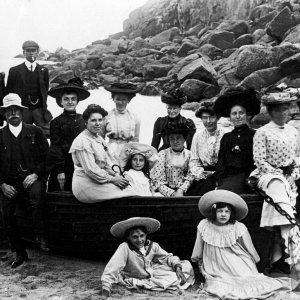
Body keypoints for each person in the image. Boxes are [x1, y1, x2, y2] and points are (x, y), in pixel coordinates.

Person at [191, 189, 298, 299]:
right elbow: (198, 247)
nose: (223, 214)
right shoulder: (204, 224)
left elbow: (250, 248)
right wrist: (197, 258)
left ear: (231, 213)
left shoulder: (237, 226)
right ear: (214, 212)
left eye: (227, 211)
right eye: (220, 211)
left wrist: (255, 261)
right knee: (220, 283)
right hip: (215, 266)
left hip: (237, 261)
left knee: (247, 281)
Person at [250, 85, 300, 274]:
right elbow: (260, 160)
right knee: (278, 188)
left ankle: (282, 256)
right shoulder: (262, 132)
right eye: (277, 109)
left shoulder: (294, 132)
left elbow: (296, 158)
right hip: (267, 175)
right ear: (270, 112)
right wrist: (281, 176)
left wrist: (293, 174)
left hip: (289, 175)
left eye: (285, 108)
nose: (282, 113)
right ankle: (294, 251)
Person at [0, 93, 49, 268]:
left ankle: (40, 237)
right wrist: (2, 185)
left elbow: (46, 159)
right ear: (4, 114)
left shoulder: (35, 131)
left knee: (36, 199)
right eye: (9, 111)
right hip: (9, 182)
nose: (13, 113)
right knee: (8, 214)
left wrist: (36, 174)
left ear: (22, 112)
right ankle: (19, 252)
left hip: (31, 178)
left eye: (16, 110)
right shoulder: (0, 135)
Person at [100, 217, 195, 299]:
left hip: (152, 272)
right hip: (135, 276)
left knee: (184, 266)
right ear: (128, 237)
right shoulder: (124, 247)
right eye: (135, 237)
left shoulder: (153, 245)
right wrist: (106, 287)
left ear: (146, 235)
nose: (139, 240)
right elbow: (113, 267)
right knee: (171, 281)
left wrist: (178, 268)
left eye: (142, 236)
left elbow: (167, 257)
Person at [69, 104, 137, 203]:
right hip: (86, 185)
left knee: (129, 186)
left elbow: (105, 163)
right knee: (129, 192)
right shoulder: (82, 141)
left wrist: (116, 175)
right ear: (85, 122)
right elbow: (90, 169)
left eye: (100, 120)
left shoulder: (98, 138)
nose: (98, 123)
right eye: (93, 120)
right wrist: (113, 179)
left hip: (98, 180)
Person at [213, 87, 261, 194]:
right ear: (230, 117)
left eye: (241, 113)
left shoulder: (255, 135)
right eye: (234, 114)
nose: (238, 117)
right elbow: (221, 162)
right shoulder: (226, 137)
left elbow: (258, 161)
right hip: (227, 176)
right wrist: (219, 179)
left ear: (247, 115)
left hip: (246, 177)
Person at [46, 77, 89, 192]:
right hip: (64, 163)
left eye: (73, 99)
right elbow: (55, 147)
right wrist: (60, 170)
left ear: (77, 101)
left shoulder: (83, 120)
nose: (70, 102)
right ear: (61, 102)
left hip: (81, 163)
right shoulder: (56, 122)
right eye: (66, 99)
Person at [6, 40, 52, 136]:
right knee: (21, 135)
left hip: (38, 110)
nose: (31, 53)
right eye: (28, 50)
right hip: (23, 110)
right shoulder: (14, 70)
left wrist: (42, 108)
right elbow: (9, 92)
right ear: (23, 53)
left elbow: (45, 90)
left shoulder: (44, 70)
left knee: (47, 134)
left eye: (33, 50)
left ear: (37, 52)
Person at [187, 101, 229, 196]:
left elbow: (229, 161)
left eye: (212, 117)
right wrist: (201, 173)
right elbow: (194, 160)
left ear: (218, 118)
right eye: (205, 118)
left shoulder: (227, 134)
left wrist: (215, 174)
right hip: (203, 174)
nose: (208, 121)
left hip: (222, 174)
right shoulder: (197, 136)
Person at [150, 121, 194, 197]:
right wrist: (172, 193)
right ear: (168, 140)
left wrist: (181, 190)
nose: (175, 141)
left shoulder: (190, 155)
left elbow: (191, 176)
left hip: (185, 191)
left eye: (178, 138)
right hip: (165, 192)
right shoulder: (163, 154)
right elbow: (157, 179)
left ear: (184, 139)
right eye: (172, 138)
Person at [102, 82, 143, 161]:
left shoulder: (135, 118)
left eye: (124, 99)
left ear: (128, 100)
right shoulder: (107, 117)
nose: (121, 102)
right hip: (111, 151)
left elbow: (136, 139)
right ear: (113, 99)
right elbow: (100, 138)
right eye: (118, 99)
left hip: (128, 151)